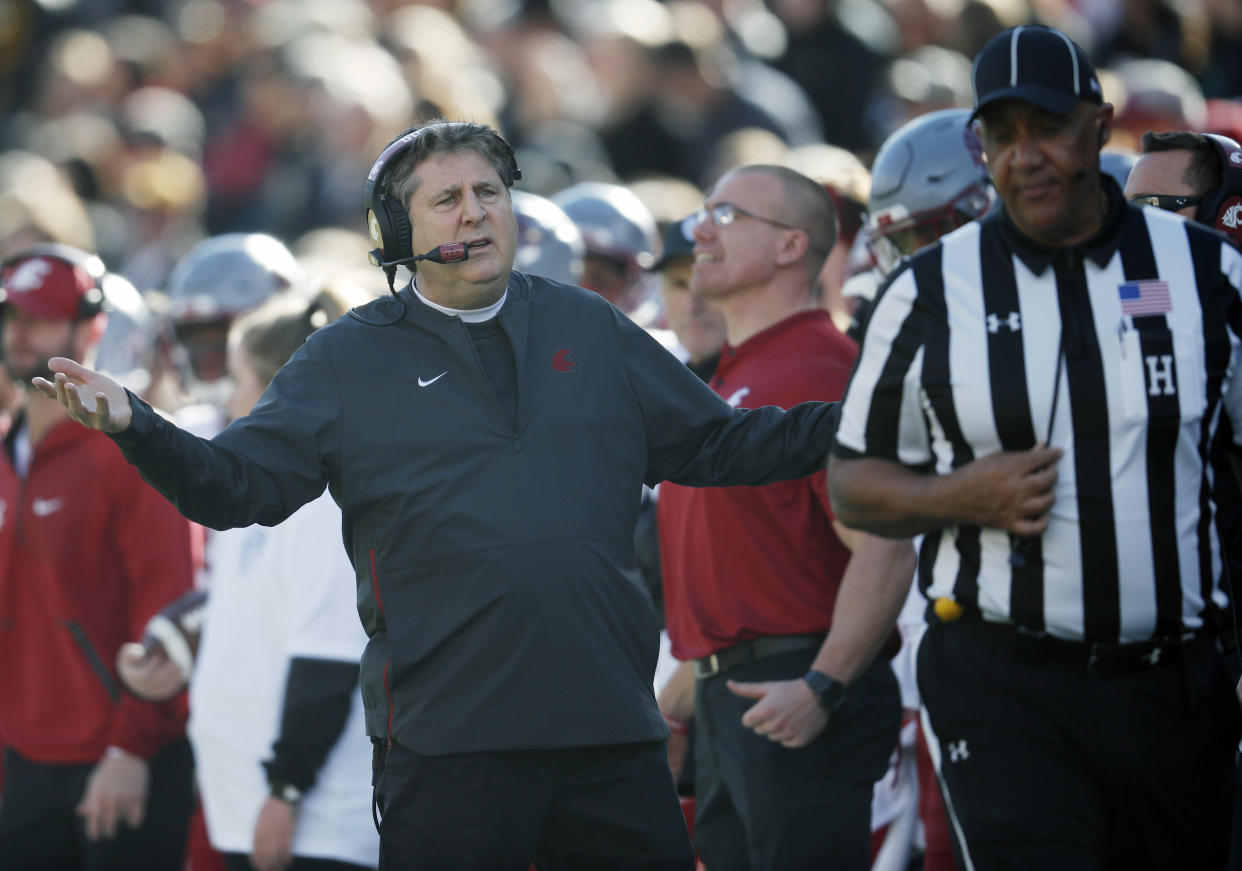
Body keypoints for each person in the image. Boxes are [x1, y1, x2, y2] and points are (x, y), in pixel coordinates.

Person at [35, 120, 839, 871]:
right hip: (453, 743)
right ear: (399, 232)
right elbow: (235, 487)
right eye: (447, 199)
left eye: (490, 192)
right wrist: (137, 425)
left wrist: (863, 415)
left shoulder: (589, 325)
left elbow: (723, 444)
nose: (476, 213)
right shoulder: (344, 359)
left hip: (607, 728)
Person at [828, 26, 1242, 870]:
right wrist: (954, 496)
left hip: (1175, 684)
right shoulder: (926, 291)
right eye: (1003, 134)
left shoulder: (1207, 274)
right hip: (1002, 681)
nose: (1027, 155)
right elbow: (853, 483)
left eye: (1048, 126)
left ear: (1099, 123)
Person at [656, 164, 912, 871]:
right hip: (733, 698)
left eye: (729, 215)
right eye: (704, 209)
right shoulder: (729, 376)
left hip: (797, 694)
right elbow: (741, 584)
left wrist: (822, 685)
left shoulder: (820, 369)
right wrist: (679, 701)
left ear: (793, 246)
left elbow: (885, 547)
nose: (700, 228)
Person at [119, 288, 379, 871]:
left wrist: (285, 793)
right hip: (252, 815)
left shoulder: (324, 502)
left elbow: (328, 661)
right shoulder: (262, 493)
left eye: (239, 378)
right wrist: (177, 640)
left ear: (278, 392)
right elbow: (253, 608)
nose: (229, 398)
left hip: (317, 828)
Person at [0, 244, 199, 870]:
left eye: (40, 317)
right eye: (10, 316)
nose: (19, 332)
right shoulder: (8, 454)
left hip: (117, 763)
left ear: (93, 326)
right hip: (21, 760)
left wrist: (131, 749)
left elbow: (170, 609)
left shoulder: (131, 452)